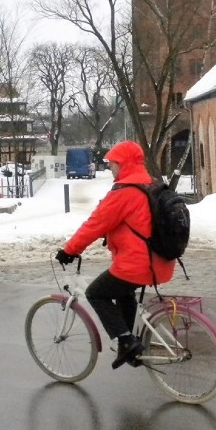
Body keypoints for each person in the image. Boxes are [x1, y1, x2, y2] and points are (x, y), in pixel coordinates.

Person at [56, 140, 176, 369]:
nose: (110, 167)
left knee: (96, 293)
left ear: (124, 163)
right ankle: (127, 344)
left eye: (113, 163)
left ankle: (126, 340)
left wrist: (69, 251)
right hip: (161, 262)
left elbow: (94, 225)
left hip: (138, 265)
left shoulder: (124, 193)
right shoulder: (152, 185)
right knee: (123, 293)